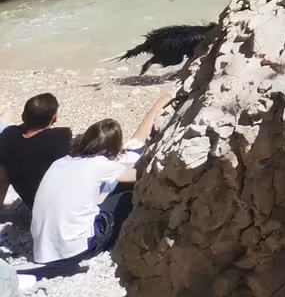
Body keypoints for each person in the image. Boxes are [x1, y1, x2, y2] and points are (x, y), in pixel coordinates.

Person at [30, 97, 166, 267]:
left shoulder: (62, 162)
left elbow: (131, 147)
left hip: (43, 251)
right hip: (75, 252)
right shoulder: (99, 165)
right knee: (126, 195)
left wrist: (155, 109)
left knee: (110, 188)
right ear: (112, 149)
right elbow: (138, 173)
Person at [0, 94, 71, 213]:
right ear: (55, 118)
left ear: (23, 116)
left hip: (29, 198)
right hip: (48, 207)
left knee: (6, 116)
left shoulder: (8, 136)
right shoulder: (62, 138)